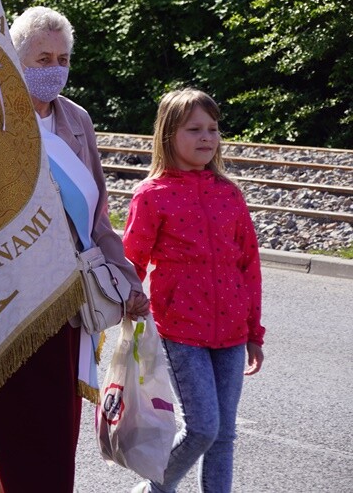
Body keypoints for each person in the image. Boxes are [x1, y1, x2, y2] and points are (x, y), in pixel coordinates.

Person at [0, 6, 150, 493]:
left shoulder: (76, 118)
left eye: (63, 58)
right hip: (7, 301)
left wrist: (127, 277)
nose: (54, 67)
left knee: (56, 430)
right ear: (15, 58)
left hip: (67, 302)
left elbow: (97, 214)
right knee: (15, 430)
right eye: (41, 58)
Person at [122, 88, 265, 493]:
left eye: (213, 129)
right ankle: (155, 488)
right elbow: (133, 259)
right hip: (182, 330)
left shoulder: (229, 194)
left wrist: (254, 331)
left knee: (224, 436)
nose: (207, 137)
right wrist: (129, 304)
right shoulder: (152, 196)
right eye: (194, 129)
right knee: (203, 427)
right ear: (169, 135)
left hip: (233, 332)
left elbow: (248, 265)